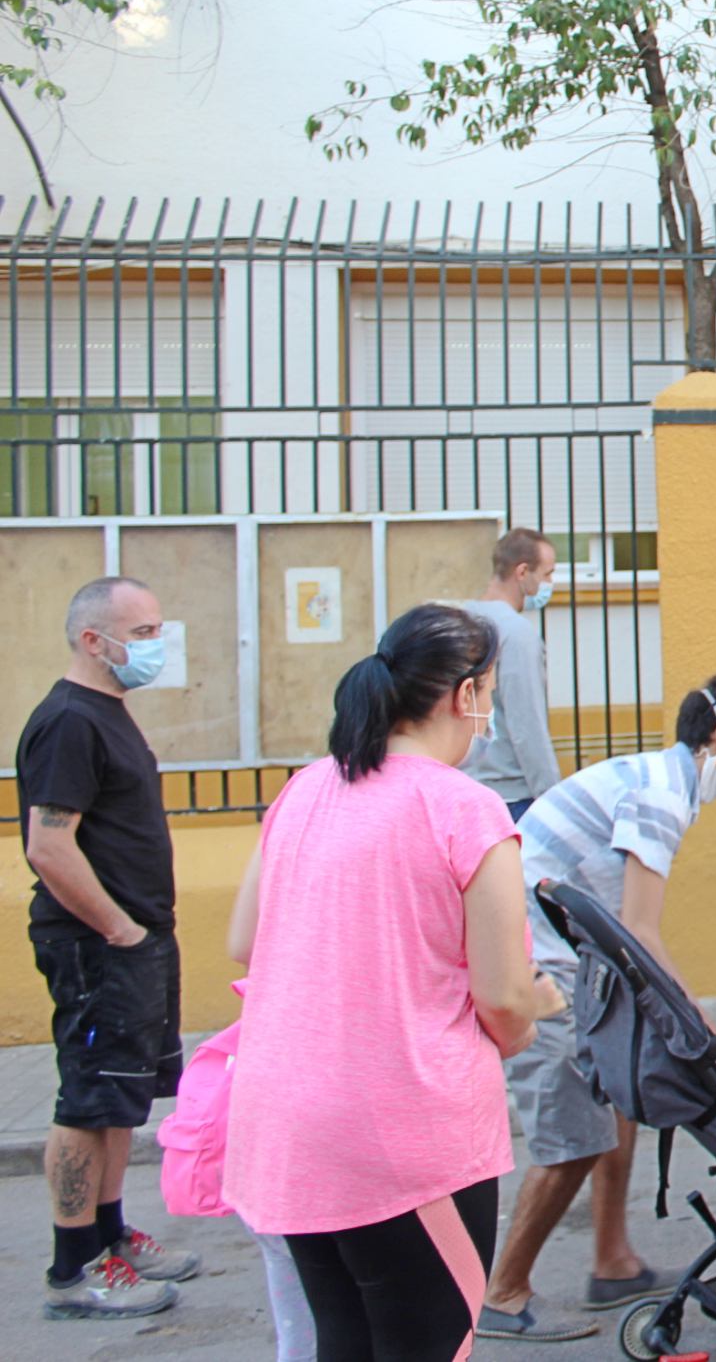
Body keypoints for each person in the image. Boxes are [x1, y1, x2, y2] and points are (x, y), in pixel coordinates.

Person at [224, 603, 563, 1356]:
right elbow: (504, 995)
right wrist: (532, 1011)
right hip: (403, 1136)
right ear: (466, 695)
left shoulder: (308, 787)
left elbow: (245, 938)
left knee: (341, 1339)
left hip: (285, 1125)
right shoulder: (465, 808)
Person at [480, 676, 716, 1340]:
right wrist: (695, 1018)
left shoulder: (656, 779)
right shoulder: (660, 797)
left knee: (618, 1098)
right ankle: (502, 1296)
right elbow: (640, 928)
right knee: (571, 1141)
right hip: (538, 972)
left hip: (553, 961)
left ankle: (613, 1261)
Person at [19, 576, 199, 1318]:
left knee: (121, 1097)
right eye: (145, 631)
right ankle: (74, 1269)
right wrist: (118, 929)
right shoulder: (68, 721)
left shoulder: (108, 711)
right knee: (87, 1101)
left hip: (140, 940)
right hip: (101, 947)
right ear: (96, 641)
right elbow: (48, 846)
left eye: (158, 628)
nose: (157, 644)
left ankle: (112, 1235)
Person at [460, 526, 564, 823]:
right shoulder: (517, 635)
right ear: (522, 572)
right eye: (546, 574)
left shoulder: (459, 622)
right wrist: (553, 799)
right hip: (510, 795)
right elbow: (526, 724)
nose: (549, 583)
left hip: (463, 786)